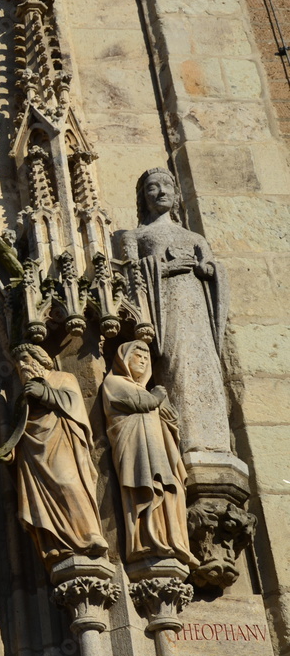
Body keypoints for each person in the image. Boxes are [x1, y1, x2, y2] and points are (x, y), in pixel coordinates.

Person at [120, 167, 229, 452]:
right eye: (152, 187)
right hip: (166, 310)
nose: (161, 191)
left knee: (204, 366)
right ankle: (185, 441)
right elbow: (132, 274)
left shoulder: (194, 238)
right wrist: (166, 268)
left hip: (197, 309)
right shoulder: (134, 236)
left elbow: (212, 268)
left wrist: (206, 269)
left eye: (167, 185)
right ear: (143, 197)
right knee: (175, 363)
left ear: (177, 194)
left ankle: (215, 441)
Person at [0, 344, 108, 570]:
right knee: (38, 498)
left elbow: (74, 405)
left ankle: (89, 533)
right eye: (18, 364)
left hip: (61, 442)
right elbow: (20, 430)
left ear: (40, 359)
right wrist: (10, 452)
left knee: (68, 483)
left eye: (25, 359)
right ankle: (53, 543)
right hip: (33, 453)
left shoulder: (63, 378)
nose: (22, 366)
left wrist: (45, 393)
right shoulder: (23, 394)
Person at [102, 340, 196, 566]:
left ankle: (173, 540)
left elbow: (171, 418)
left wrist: (156, 397)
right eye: (138, 356)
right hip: (137, 450)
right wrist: (155, 394)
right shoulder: (113, 382)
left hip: (159, 450)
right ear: (124, 359)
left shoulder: (143, 388)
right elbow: (144, 403)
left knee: (171, 490)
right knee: (146, 490)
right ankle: (147, 542)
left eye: (146, 358)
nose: (143, 361)